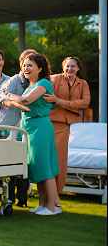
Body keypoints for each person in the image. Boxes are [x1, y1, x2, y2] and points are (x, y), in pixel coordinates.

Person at [4, 54, 61, 215]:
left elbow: (26, 101)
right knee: (36, 167)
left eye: (30, 65)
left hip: (40, 128)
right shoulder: (31, 85)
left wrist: (8, 95)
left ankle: (52, 207)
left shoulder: (43, 83)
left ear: (40, 68)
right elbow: (22, 104)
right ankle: (43, 205)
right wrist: (13, 100)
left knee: (44, 167)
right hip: (29, 129)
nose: (25, 68)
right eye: (24, 65)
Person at [0, 48, 38, 207]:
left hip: (28, 129)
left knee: (25, 164)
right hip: (10, 126)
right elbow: (1, 94)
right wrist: (13, 102)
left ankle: (22, 199)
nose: (28, 66)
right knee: (10, 164)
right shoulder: (15, 80)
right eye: (26, 62)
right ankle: (9, 198)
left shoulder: (37, 81)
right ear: (22, 63)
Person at [46, 56, 91, 193]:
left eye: (73, 66)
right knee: (54, 158)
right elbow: (47, 99)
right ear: (63, 67)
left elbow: (85, 103)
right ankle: (51, 191)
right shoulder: (53, 79)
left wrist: (60, 101)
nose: (69, 68)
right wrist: (71, 105)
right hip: (53, 122)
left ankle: (55, 192)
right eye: (67, 66)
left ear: (78, 68)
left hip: (70, 124)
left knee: (60, 159)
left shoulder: (82, 83)